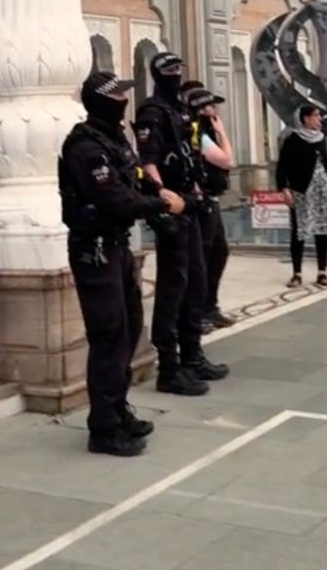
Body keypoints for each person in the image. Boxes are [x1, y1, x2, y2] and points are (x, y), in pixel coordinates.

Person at [59, 70, 185, 457]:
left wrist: (157, 189)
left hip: (115, 247)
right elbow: (116, 199)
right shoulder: (84, 147)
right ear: (101, 101)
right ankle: (103, 426)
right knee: (109, 335)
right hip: (93, 250)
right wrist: (163, 203)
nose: (124, 101)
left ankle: (117, 409)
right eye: (117, 96)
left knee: (129, 331)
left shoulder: (113, 139)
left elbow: (133, 178)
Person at [134, 52, 229, 395]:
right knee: (173, 287)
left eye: (179, 70)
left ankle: (192, 356)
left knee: (196, 284)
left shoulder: (180, 110)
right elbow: (149, 161)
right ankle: (170, 368)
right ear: (159, 75)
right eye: (170, 71)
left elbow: (191, 153)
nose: (176, 75)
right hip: (173, 207)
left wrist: (198, 189)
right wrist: (162, 198)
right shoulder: (152, 112)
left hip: (192, 203)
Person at [182, 82, 235, 333]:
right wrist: (222, 131)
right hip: (202, 203)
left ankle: (209, 305)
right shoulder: (198, 132)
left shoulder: (204, 132)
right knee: (202, 258)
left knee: (218, 253)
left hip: (212, 200)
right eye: (211, 107)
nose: (215, 111)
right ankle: (198, 310)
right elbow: (227, 160)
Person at [275, 104, 327, 288]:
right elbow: (283, 166)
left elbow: (326, 164)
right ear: (306, 118)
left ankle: (322, 271)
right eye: (316, 116)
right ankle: (297, 273)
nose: (319, 119)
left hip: (322, 188)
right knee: (299, 231)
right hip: (302, 189)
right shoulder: (293, 139)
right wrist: (284, 188)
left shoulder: (321, 139)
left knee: (322, 229)